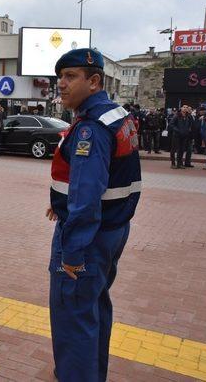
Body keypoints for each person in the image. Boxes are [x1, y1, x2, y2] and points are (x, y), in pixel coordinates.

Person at [46, 48, 141, 381]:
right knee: (94, 309)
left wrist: (72, 250)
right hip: (111, 230)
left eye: (71, 77)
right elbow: (100, 179)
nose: (62, 84)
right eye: (60, 76)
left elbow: (86, 197)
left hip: (88, 237)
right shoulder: (116, 115)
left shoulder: (91, 128)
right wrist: (60, 203)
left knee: (73, 316)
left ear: (95, 81)